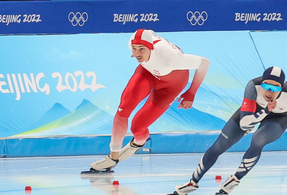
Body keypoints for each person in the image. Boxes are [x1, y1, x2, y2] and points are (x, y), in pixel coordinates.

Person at [170, 66, 287, 195]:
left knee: (258, 139)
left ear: (281, 88)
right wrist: (265, 111)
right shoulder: (253, 86)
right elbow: (244, 123)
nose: (269, 91)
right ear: (261, 83)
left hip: (280, 117)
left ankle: (235, 178)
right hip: (256, 110)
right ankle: (192, 182)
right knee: (219, 145)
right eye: (266, 86)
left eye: (275, 88)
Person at [89, 29, 210, 172]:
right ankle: (112, 158)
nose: (137, 54)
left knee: (137, 127)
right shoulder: (133, 42)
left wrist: (191, 92)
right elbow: (149, 32)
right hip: (148, 73)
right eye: (134, 49)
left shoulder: (170, 58)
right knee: (123, 108)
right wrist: (142, 44)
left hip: (171, 86)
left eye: (141, 49)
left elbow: (204, 63)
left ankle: (139, 142)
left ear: (151, 47)